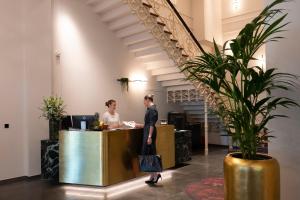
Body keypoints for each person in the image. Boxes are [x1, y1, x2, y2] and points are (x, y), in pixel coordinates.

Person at [136, 94, 162, 185]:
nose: (144, 103)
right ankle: (152, 175)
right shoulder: (150, 109)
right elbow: (148, 124)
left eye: (144, 101)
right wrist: (140, 125)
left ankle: (156, 174)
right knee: (148, 153)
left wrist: (149, 136)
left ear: (148, 100)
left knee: (150, 153)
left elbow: (151, 124)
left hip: (149, 133)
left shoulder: (152, 109)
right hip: (147, 132)